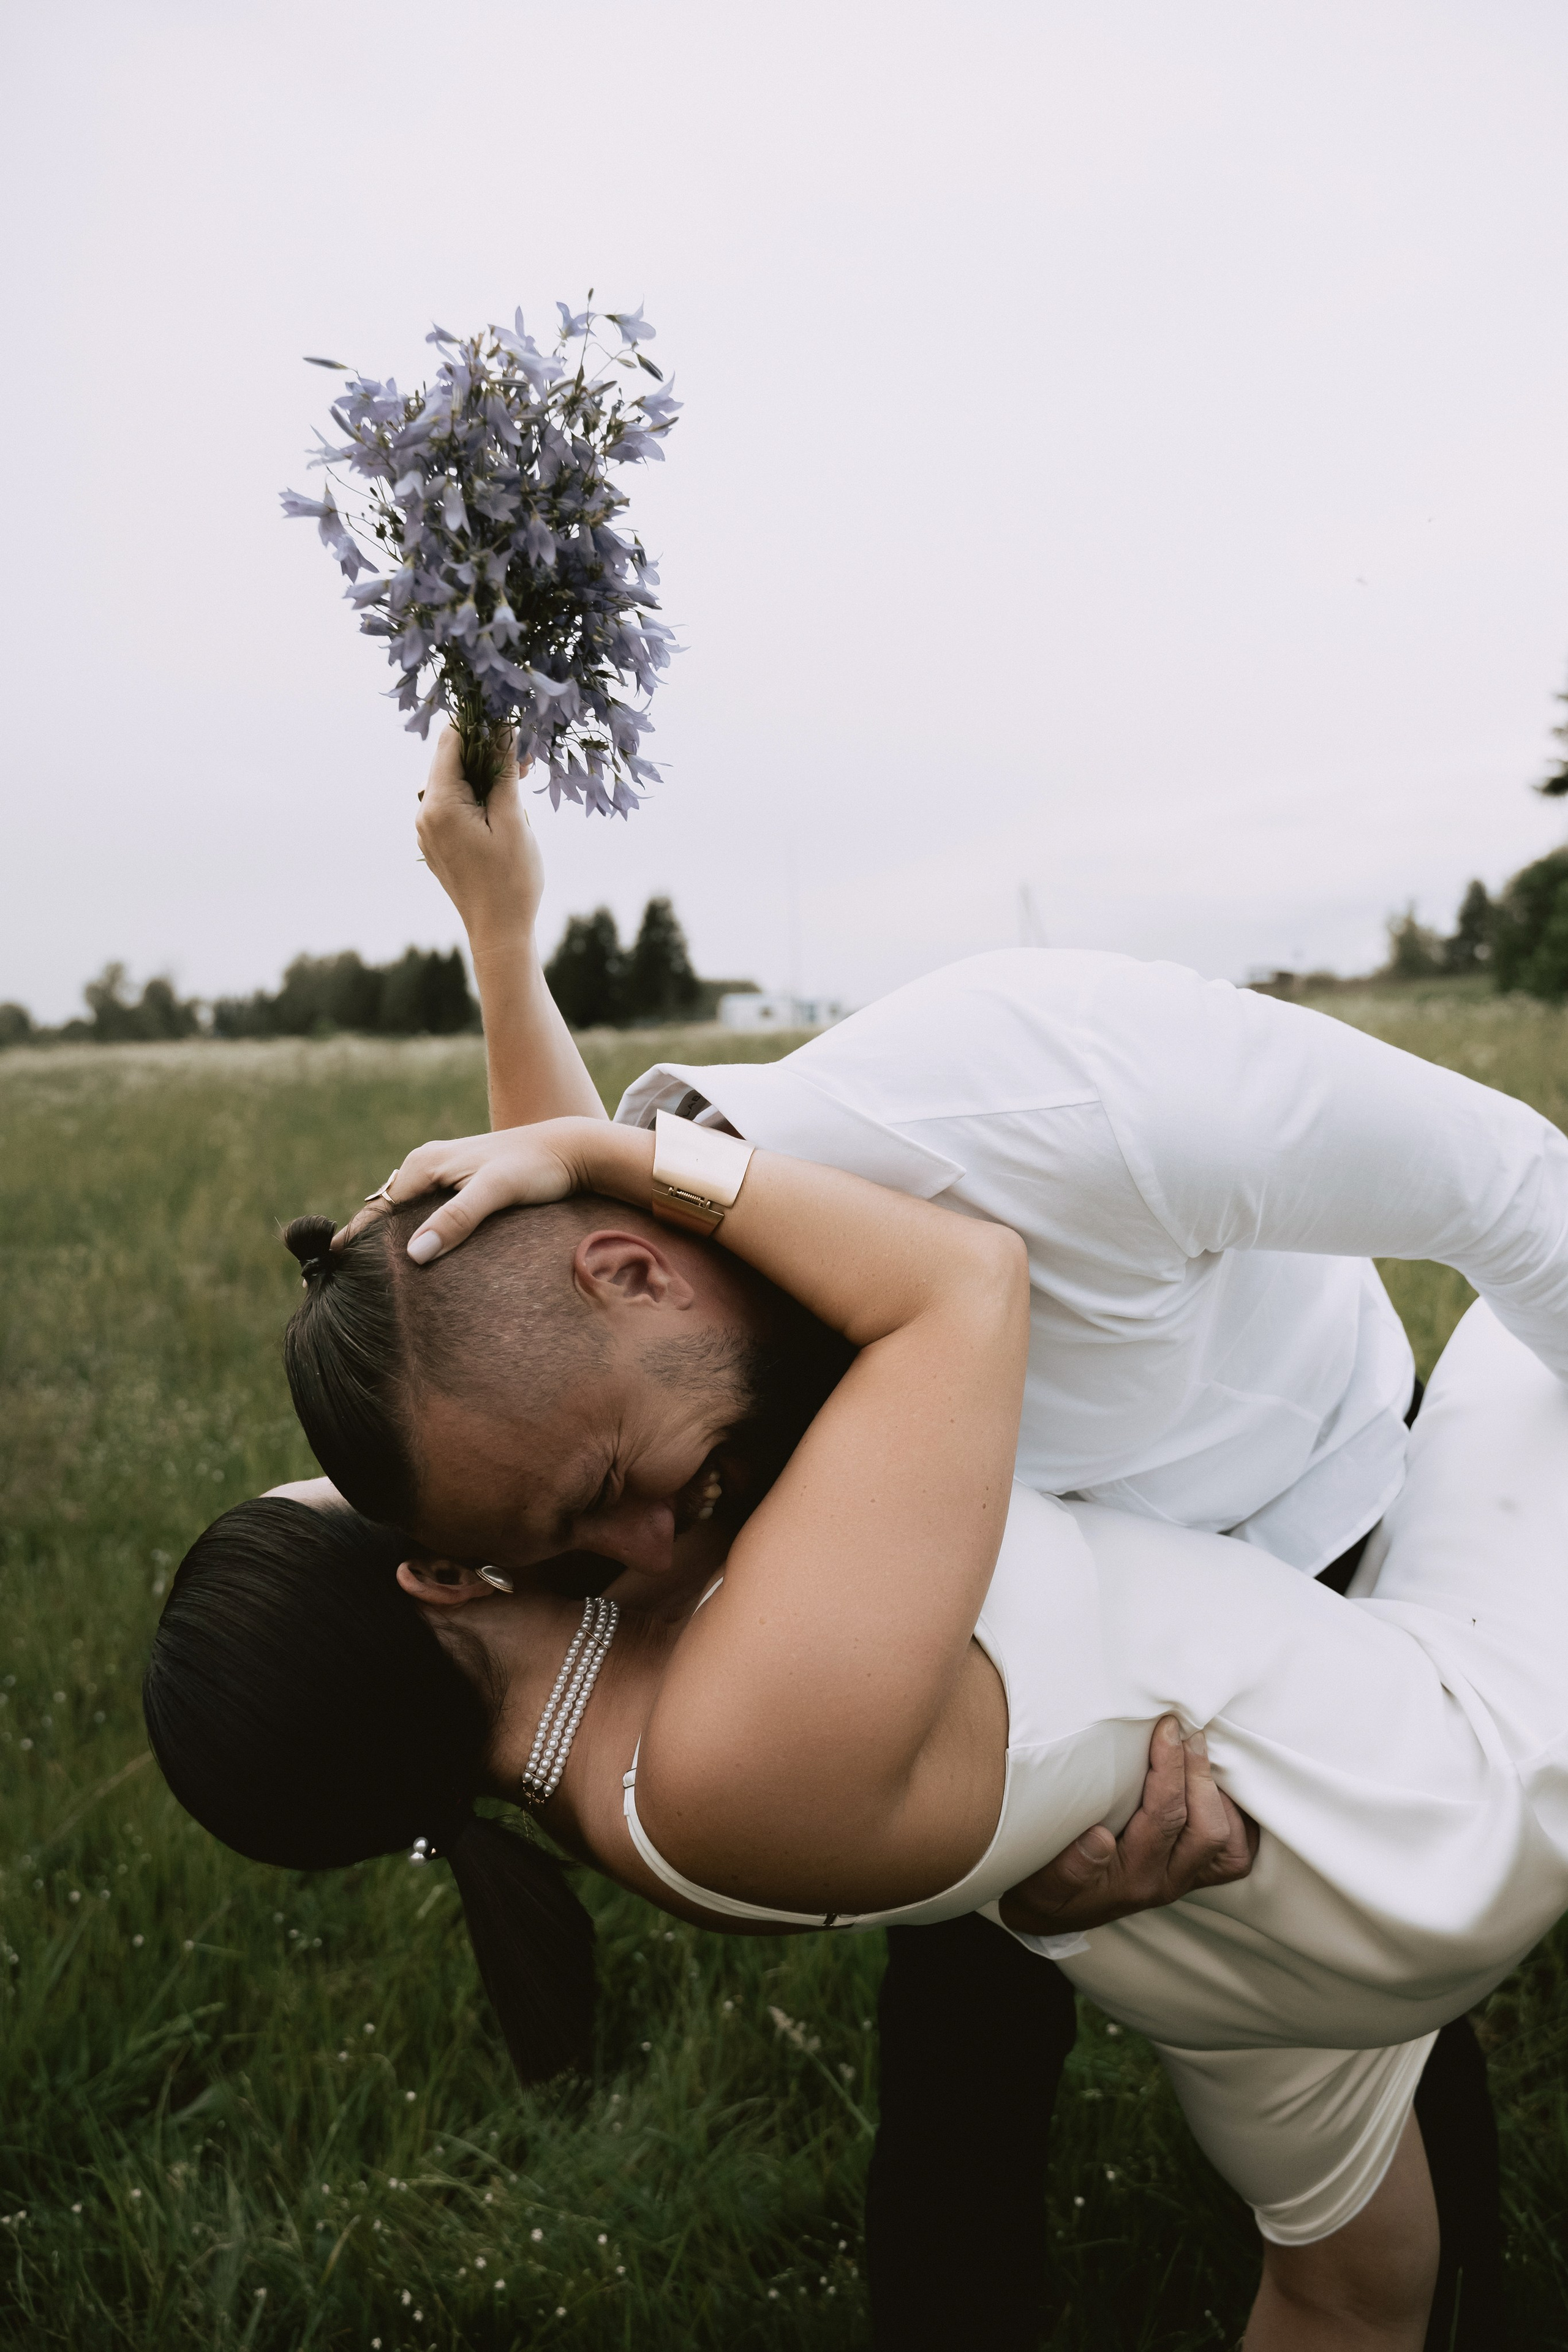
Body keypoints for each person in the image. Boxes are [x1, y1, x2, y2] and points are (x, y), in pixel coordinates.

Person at [288, 729, 1568, 2343]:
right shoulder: (656, 1344)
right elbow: (542, 1336)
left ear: (636, 1263)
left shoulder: (1062, 1091)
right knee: (959, 2079)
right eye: (579, 1548)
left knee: (1393, 2058)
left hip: (1316, 1522)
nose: (653, 1558)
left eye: (617, 1485)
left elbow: (1518, 1192)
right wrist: (501, 935)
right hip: (1020, 1653)